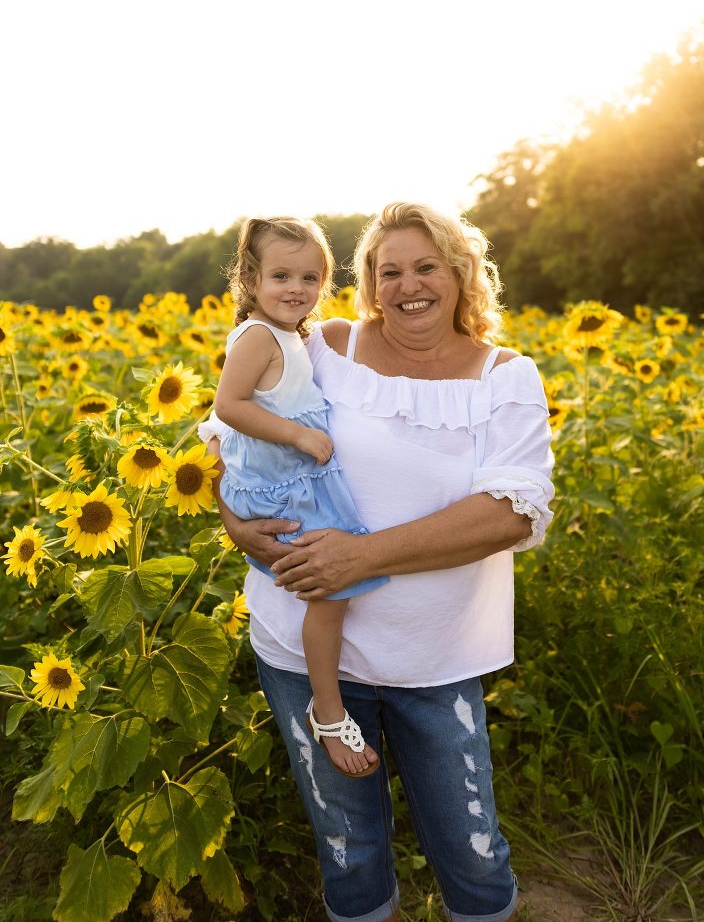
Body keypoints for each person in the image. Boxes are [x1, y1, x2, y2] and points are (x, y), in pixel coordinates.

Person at [204, 202, 555, 922]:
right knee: (350, 852)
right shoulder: (327, 347)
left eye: (426, 266)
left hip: (436, 654)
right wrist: (235, 522)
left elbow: (513, 511)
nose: (408, 285)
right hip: (302, 642)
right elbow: (228, 431)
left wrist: (361, 555)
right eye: (387, 270)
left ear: (459, 274)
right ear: (366, 283)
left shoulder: (506, 377)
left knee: (473, 851)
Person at [207, 216, 386, 776]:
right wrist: (299, 434)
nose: (296, 289)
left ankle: (329, 705)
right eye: (281, 275)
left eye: (310, 277)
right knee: (331, 591)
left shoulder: (287, 335)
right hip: (286, 489)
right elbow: (228, 407)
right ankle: (328, 712)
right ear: (251, 279)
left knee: (331, 591)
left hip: (292, 483)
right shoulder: (259, 337)